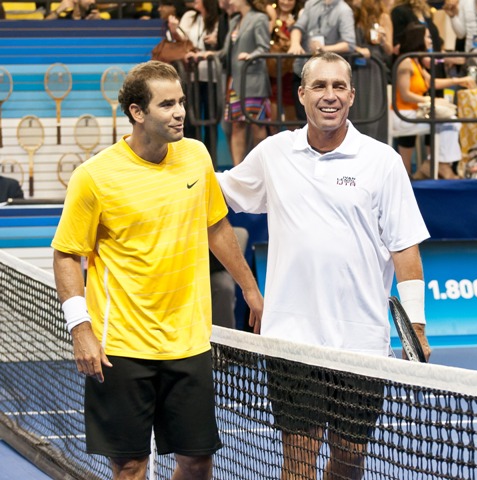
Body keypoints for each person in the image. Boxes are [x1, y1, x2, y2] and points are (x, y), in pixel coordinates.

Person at [217, 52, 431, 480]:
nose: (329, 95)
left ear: (351, 96)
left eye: (338, 86)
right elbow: (211, 192)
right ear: (301, 94)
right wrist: (249, 288)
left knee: (350, 458)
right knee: (298, 460)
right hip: (291, 340)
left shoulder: (382, 161)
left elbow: (405, 248)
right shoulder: (274, 153)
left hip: (361, 342)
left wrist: (417, 326)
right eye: (319, 86)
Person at [51, 61, 263, 480]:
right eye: (167, 104)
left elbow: (216, 226)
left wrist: (251, 290)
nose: (180, 112)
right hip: (121, 347)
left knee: (197, 463)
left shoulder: (196, 156)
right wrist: (80, 329)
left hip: (189, 342)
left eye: (181, 101)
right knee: (131, 466)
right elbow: (66, 255)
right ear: (137, 112)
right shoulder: (93, 177)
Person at [392, 22, 476, 178]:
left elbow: (432, 82)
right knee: (450, 122)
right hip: (403, 115)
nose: (431, 40)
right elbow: (405, 95)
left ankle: (435, 163)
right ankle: (440, 165)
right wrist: (430, 101)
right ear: (418, 39)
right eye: (427, 37)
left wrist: (458, 80)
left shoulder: (416, 62)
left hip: (415, 112)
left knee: (450, 121)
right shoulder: (405, 62)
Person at [214, 0, 271, 166]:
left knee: (257, 127)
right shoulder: (235, 20)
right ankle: (238, 169)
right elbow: (226, 52)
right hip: (235, 82)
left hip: (253, 80)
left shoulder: (259, 18)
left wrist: (250, 56)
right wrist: (207, 54)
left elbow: (264, 47)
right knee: (237, 126)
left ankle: (260, 167)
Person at [171, 0, 227, 153]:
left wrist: (216, 42)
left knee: (211, 121)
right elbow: (181, 43)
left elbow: (225, 46)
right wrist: (174, 31)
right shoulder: (189, 16)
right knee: (189, 121)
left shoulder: (220, 19)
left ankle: (209, 159)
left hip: (213, 77)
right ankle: (189, 157)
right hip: (190, 76)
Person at [287, 0, 356, 120]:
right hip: (302, 70)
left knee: (328, 116)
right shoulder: (311, 4)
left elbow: (349, 44)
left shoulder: (344, 10)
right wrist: (295, 43)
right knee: (302, 117)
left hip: (330, 72)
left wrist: (324, 49)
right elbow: (298, 27)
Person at [349, 0, 393, 143]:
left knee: (374, 109)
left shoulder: (383, 17)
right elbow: (345, 41)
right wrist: (357, 49)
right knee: (355, 109)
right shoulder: (352, 14)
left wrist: (383, 39)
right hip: (355, 67)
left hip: (374, 68)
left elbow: (389, 50)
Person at [267, 0, 305, 127]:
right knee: (272, 120)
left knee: (292, 120)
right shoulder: (270, 16)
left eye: (290, 0)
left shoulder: (300, 18)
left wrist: (293, 28)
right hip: (273, 73)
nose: (286, 2)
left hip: (291, 73)